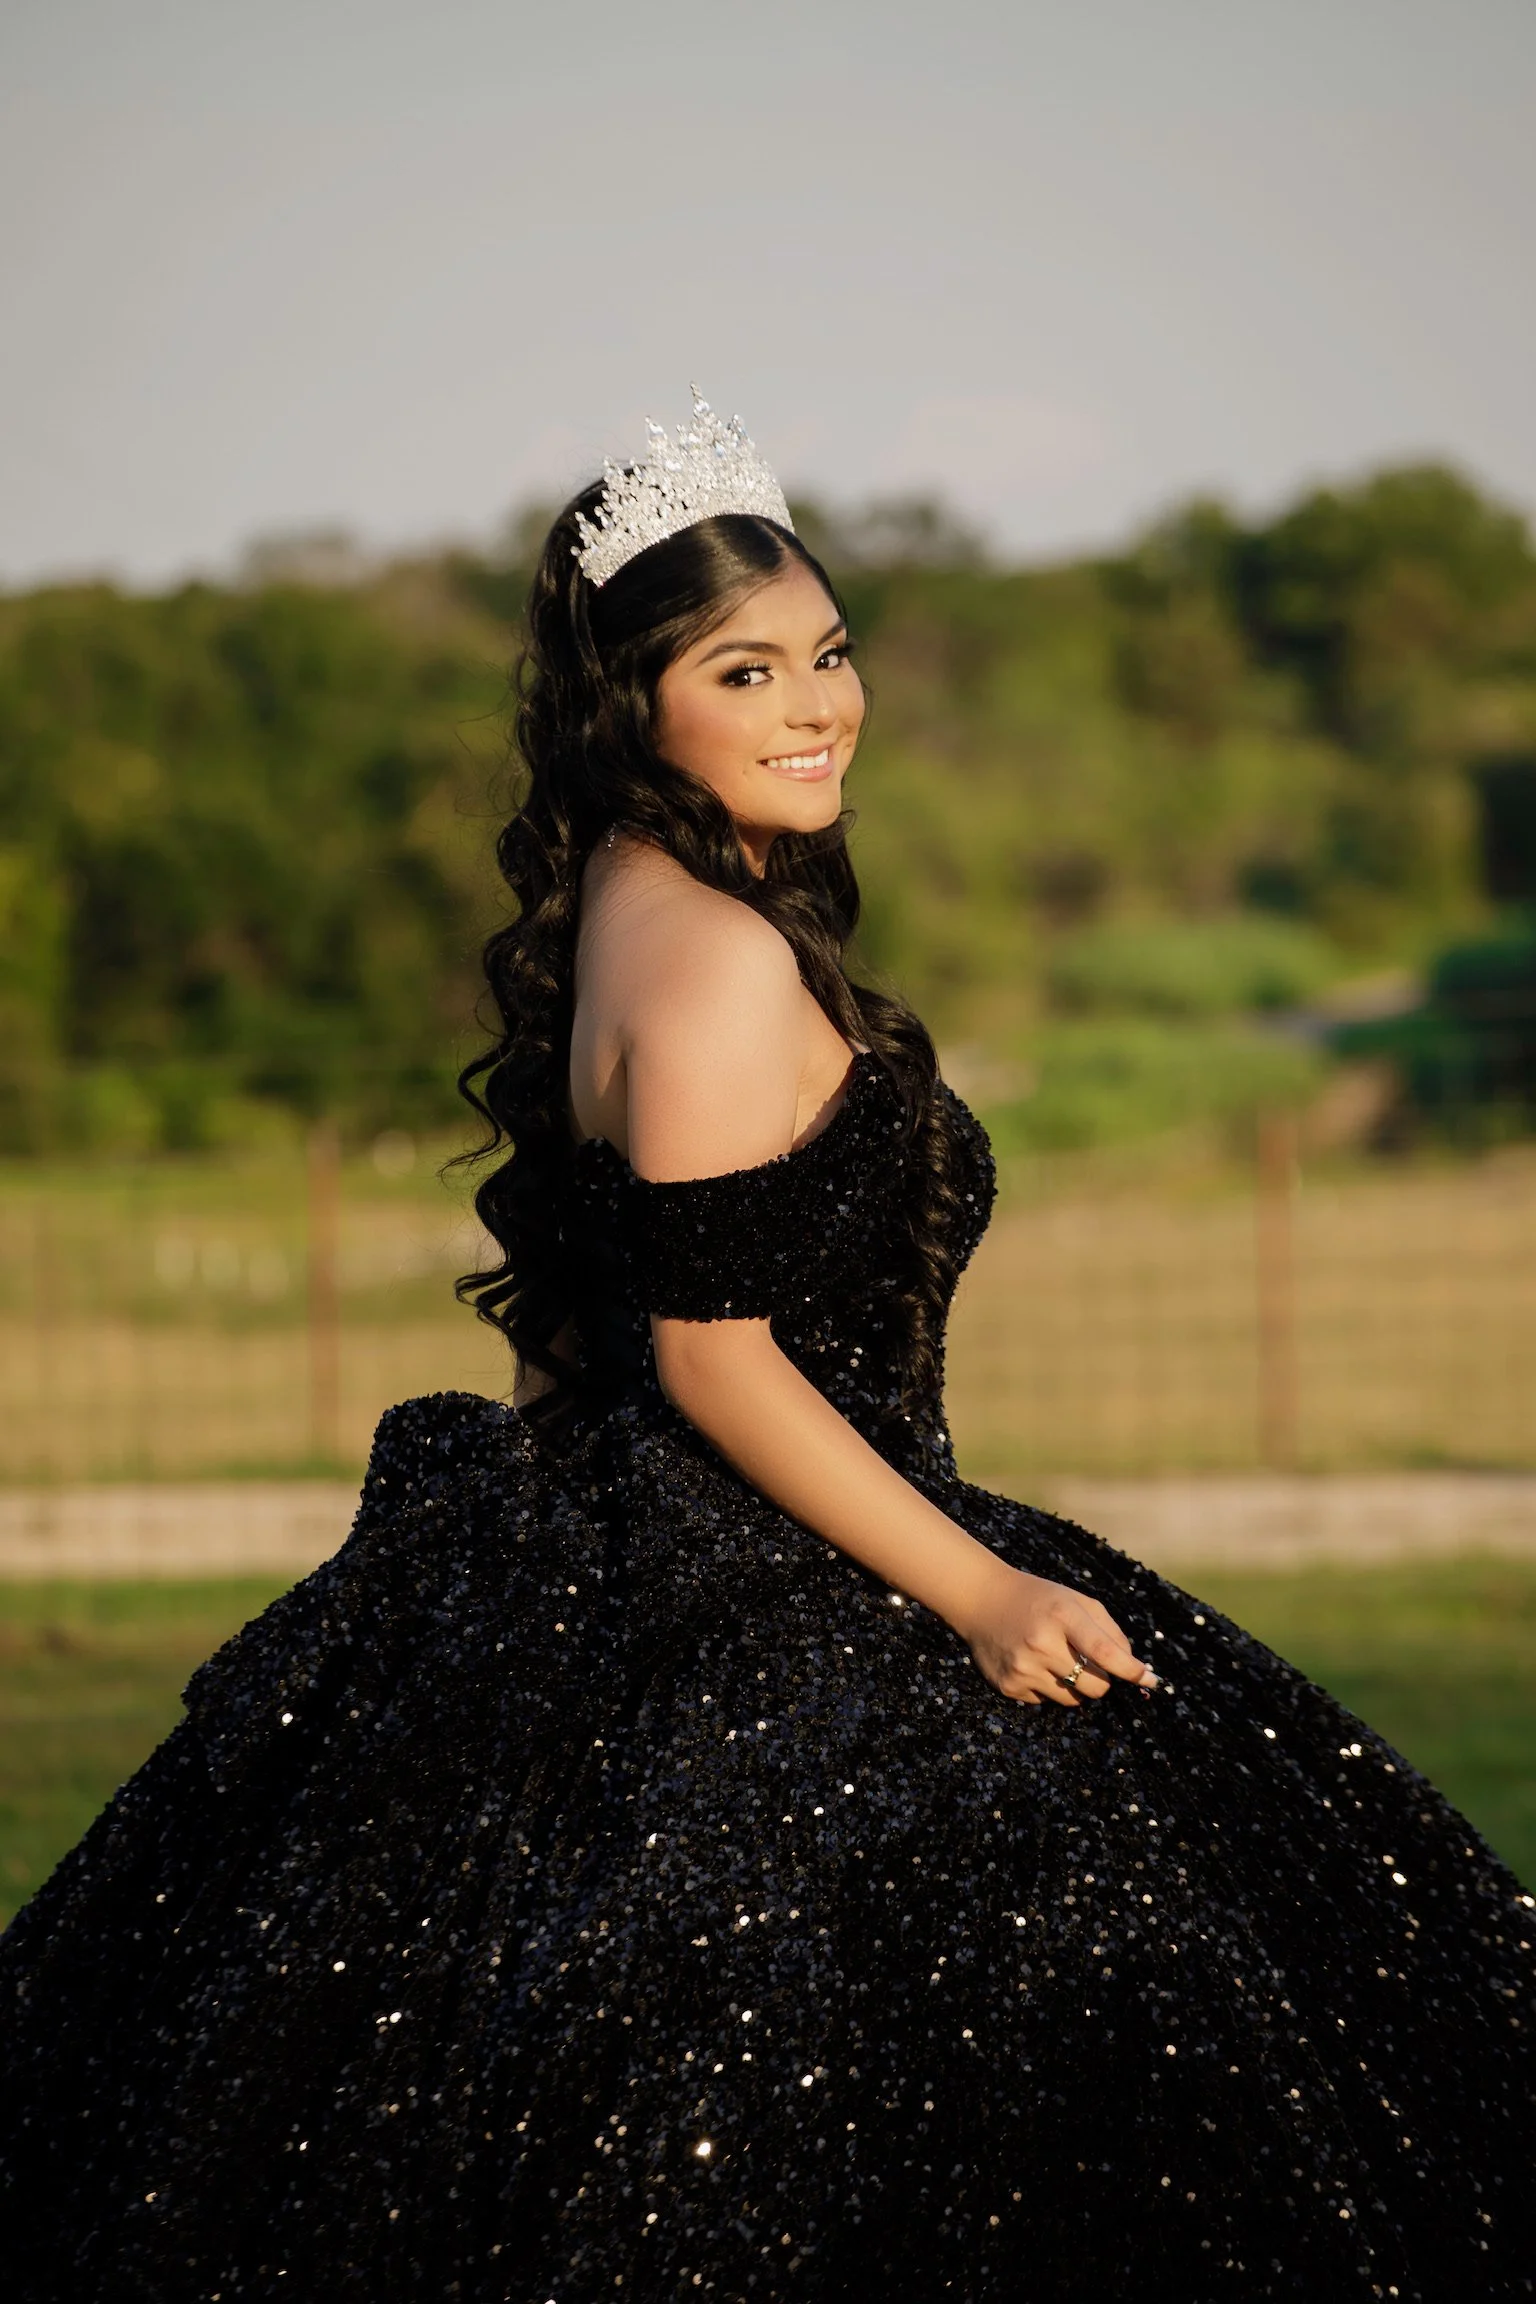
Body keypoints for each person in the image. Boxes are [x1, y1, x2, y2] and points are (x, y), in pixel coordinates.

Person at [2, 395, 1532, 2304]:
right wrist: (978, 1593)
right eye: (748, 669)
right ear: (634, 706)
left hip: (697, 1545)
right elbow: (713, 1360)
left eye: (828, 652)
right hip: (798, 1569)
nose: (818, 704)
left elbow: (578, 1346)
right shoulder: (714, 959)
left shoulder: (629, 921)